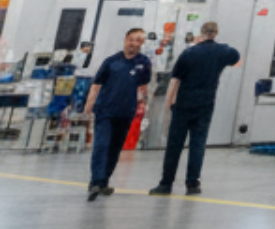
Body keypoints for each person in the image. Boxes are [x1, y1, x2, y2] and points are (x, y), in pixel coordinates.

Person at [151, 21, 242, 197]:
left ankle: (165, 184)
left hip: (184, 103)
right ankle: (192, 184)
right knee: (197, 144)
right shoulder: (224, 51)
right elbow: (237, 61)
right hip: (206, 104)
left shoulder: (188, 53)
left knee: (174, 145)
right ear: (216, 32)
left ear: (201, 33)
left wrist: (169, 103)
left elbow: (175, 80)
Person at [83, 28, 152, 201]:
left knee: (115, 148)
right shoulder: (111, 62)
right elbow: (97, 84)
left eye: (138, 40)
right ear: (125, 40)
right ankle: (95, 181)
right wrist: (89, 105)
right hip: (105, 110)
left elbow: (143, 86)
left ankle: (104, 181)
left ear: (142, 43)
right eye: (131, 40)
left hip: (126, 111)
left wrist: (144, 104)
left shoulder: (144, 62)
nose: (134, 44)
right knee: (101, 145)